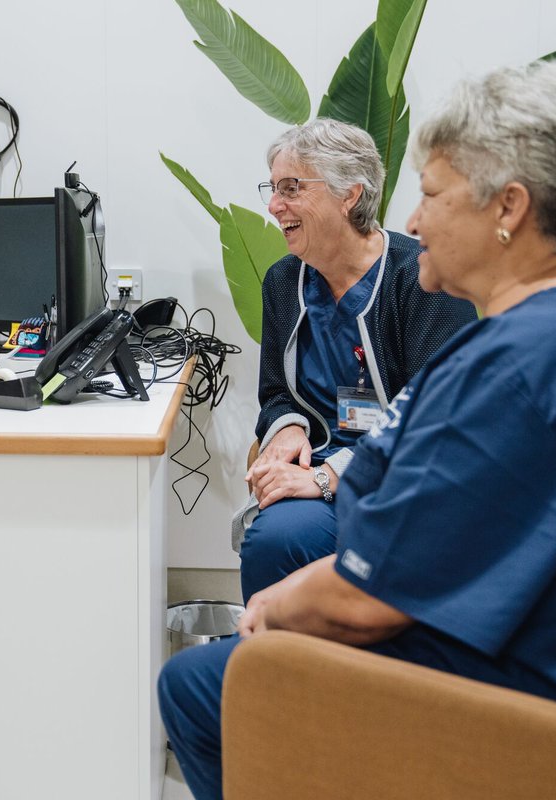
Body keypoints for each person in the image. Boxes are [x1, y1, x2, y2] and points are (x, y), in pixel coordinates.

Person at [160, 60, 556, 800]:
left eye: (432, 195)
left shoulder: (515, 367)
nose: (412, 221)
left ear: (510, 208)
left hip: (536, 709)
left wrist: (277, 608)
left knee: (208, 686)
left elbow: (372, 598)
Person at [234, 118, 474, 602]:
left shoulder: (424, 281)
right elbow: (277, 392)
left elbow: (436, 423)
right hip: (316, 474)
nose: (274, 205)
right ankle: (279, 671)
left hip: (402, 486)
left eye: (291, 188)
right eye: (273, 188)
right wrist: (286, 430)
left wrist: (326, 478)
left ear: (349, 194)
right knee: (276, 539)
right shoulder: (284, 282)